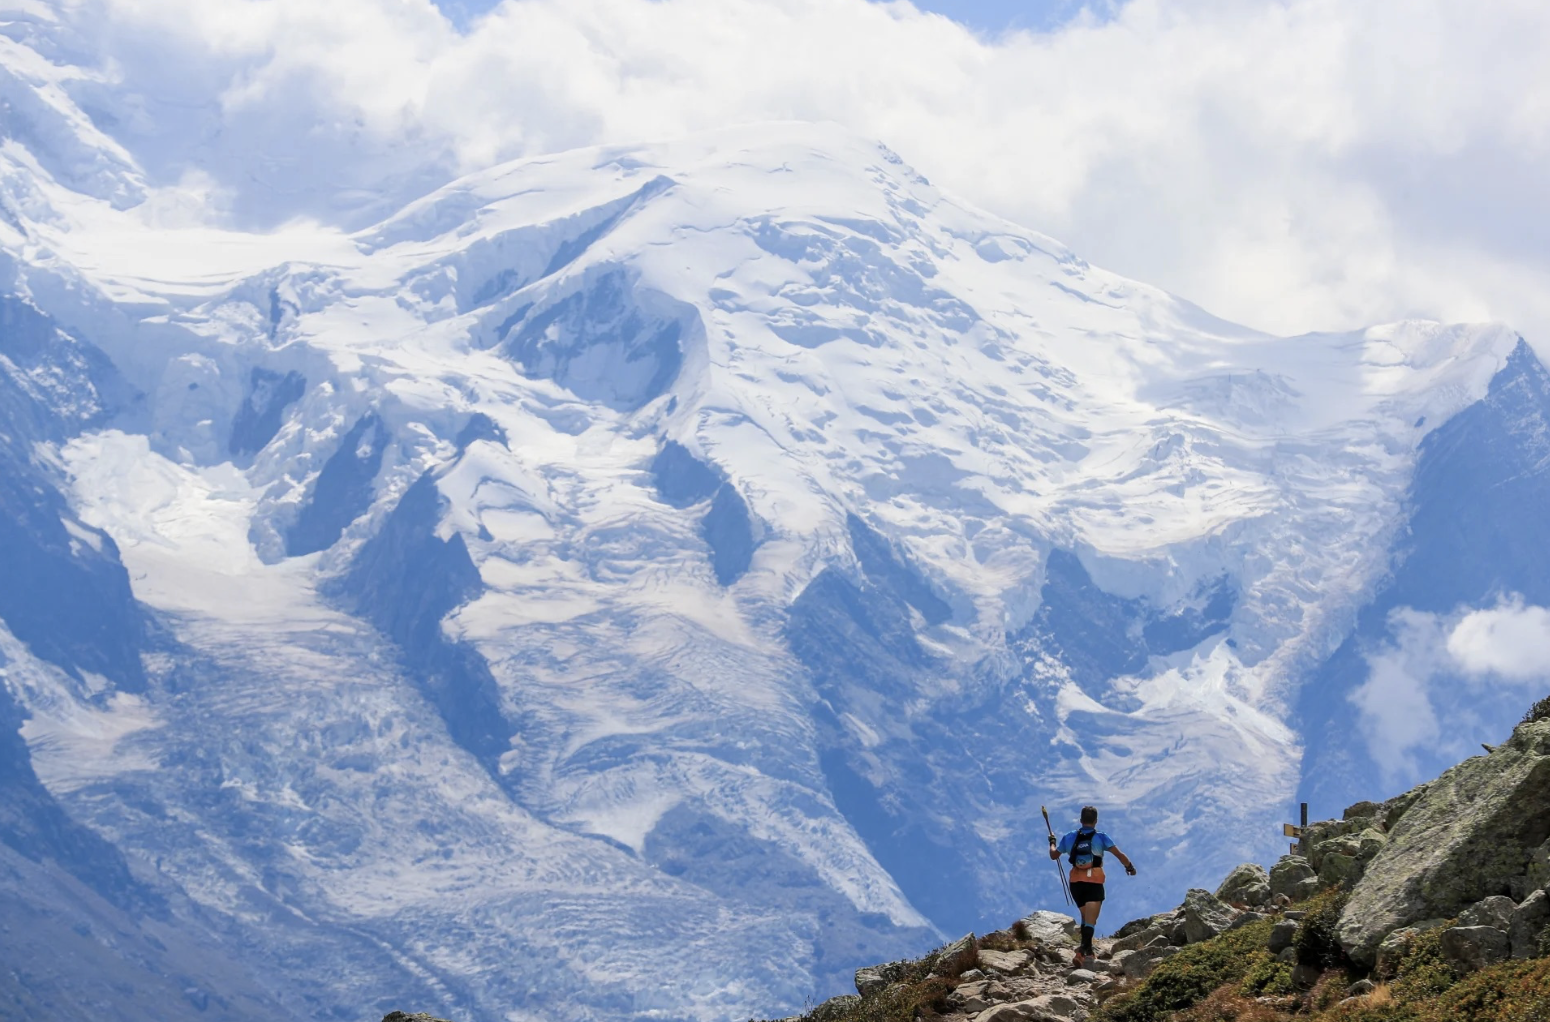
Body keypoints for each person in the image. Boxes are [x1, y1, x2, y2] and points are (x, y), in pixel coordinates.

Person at [1049, 805, 1136, 965]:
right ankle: (1081, 952)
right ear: (1096, 821)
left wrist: (1052, 842)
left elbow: (1054, 855)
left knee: (1085, 916)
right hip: (1094, 882)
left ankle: (1088, 951)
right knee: (1091, 920)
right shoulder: (1101, 837)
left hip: (1075, 883)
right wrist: (1129, 867)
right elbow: (1119, 855)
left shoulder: (1069, 837)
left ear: (1080, 820)